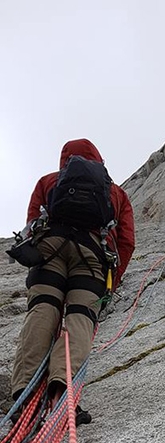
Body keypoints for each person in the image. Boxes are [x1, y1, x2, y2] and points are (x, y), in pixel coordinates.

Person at [11, 138, 135, 423]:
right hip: (91, 258)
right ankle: (61, 393)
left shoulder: (48, 181)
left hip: (49, 251)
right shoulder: (115, 192)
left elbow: (32, 225)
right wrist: (111, 283)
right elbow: (126, 241)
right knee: (79, 318)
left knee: (43, 309)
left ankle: (24, 393)